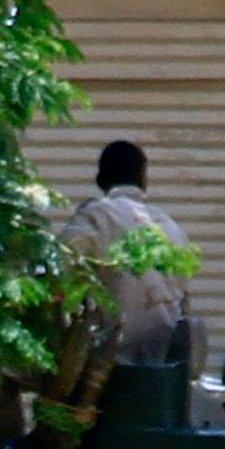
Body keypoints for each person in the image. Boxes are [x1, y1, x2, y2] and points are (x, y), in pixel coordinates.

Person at [63, 140, 192, 362]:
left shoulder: (96, 216)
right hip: (164, 365)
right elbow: (183, 298)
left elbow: (60, 267)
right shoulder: (172, 227)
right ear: (143, 180)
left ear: (100, 180)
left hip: (113, 367)